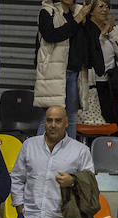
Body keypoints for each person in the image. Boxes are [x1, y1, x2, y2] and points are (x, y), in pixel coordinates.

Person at [34, 0, 87, 137]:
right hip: (54, 73)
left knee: (71, 118)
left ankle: (70, 156)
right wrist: (78, 19)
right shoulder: (47, 12)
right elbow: (51, 36)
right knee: (48, 116)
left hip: (73, 73)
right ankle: (39, 155)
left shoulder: (78, 13)